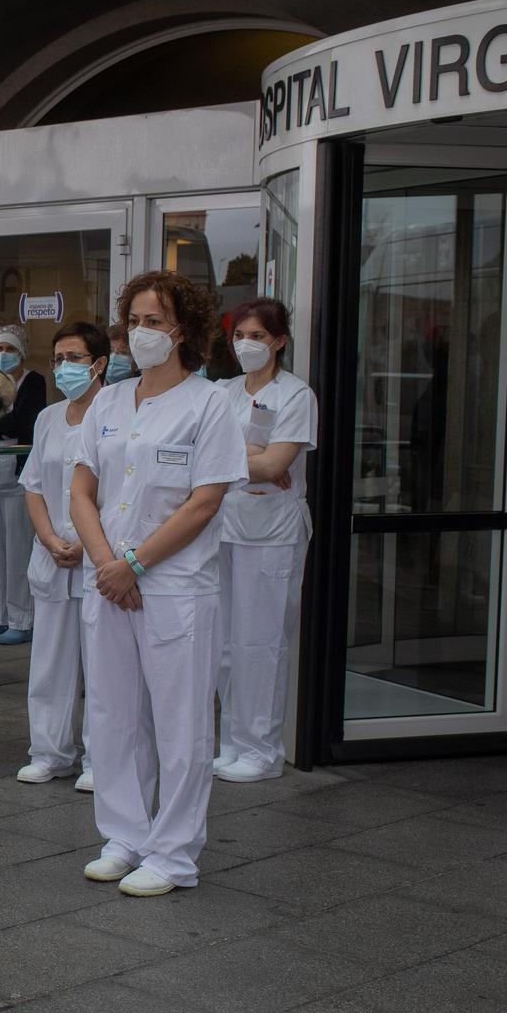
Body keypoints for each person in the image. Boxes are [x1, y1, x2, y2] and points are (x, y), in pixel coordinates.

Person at [69, 270, 246, 897]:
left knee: (181, 724)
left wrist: (134, 564)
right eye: (134, 322)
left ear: (184, 331)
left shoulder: (211, 404)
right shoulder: (110, 403)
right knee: (114, 717)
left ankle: (173, 854)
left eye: (154, 322)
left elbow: (204, 502)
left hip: (174, 588)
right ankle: (124, 837)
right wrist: (104, 564)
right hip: (109, 582)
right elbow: (82, 488)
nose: (140, 334)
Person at [214, 297, 316, 783]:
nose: (246, 345)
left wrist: (242, 460)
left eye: (257, 336)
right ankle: (231, 741)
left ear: (279, 342)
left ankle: (262, 750)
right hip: (225, 527)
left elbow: (276, 466)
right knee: (227, 644)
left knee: (263, 642)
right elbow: (200, 453)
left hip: (272, 533)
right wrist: (249, 456)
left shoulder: (297, 395)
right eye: (239, 336)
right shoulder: (224, 391)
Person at [15, 321, 109, 789]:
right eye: (58, 359)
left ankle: (99, 758)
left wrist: (86, 541)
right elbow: (33, 486)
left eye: (74, 358)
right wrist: (51, 539)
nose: (64, 368)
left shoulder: (117, 414)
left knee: (102, 664)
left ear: (99, 364)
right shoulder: (49, 417)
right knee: (50, 662)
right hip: (52, 555)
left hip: (99, 556)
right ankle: (50, 751)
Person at [0, 323, 46, 646]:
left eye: (11, 349)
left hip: (18, 474)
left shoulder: (33, 382)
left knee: (18, 548)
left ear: (22, 352)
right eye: (0, 349)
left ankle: (21, 617)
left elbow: (23, 421)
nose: (4, 355)